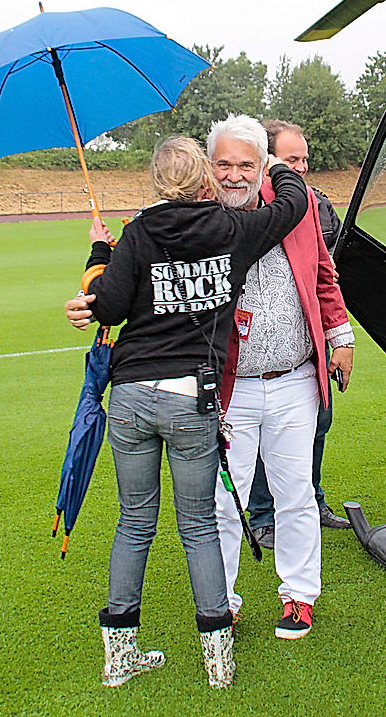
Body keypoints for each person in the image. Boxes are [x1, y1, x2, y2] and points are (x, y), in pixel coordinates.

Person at [75, 132, 307, 688]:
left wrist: (99, 252)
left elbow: (106, 306)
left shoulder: (138, 233)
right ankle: (218, 663)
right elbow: (293, 205)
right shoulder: (230, 230)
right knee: (199, 524)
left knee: (135, 523)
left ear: (156, 183)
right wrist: (275, 164)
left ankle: (119, 658)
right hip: (190, 397)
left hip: (131, 395)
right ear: (205, 177)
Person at [205, 117, 355, 640]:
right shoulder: (201, 210)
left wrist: (341, 338)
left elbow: (323, 275)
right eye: (223, 164)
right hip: (229, 389)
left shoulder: (297, 204)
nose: (233, 174)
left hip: (295, 378)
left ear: (261, 163)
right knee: (225, 502)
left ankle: (299, 597)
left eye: (245, 163)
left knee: (296, 497)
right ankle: (220, 602)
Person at [246, 120, 350, 551]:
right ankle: (263, 516)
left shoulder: (316, 203)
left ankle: (313, 500)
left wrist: (340, 337)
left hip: (308, 337)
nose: (302, 168)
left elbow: (327, 268)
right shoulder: (246, 204)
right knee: (258, 432)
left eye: (305, 159)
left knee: (318, 424)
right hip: (254, 348)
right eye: (292, 160)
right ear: (268, 161)